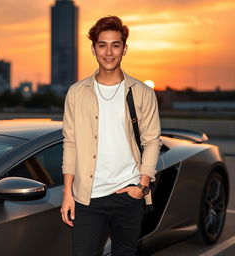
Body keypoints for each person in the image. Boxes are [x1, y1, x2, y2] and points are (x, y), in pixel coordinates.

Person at [60, 15, 163, 256]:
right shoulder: (76, 93)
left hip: (127, 194)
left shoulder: (142, 93)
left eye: (115, 45)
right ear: (93, 49)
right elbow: (70, 143)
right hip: (87, 197)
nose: (109, 52)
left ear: (124, 49)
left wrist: (142, 186)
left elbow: (152, 141)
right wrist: (67, 194)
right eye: (102, 45)